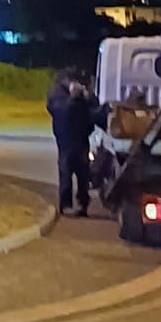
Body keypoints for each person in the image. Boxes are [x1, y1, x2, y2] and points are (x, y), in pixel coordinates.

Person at [47, 71, 106, 216]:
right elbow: (60, 110)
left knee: (83, 173)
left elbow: (94, 113)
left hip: (81, 138)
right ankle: (66, 205)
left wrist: (89, 98)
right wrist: (74, 98)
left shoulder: (82, 97)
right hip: (66, 139)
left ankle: (82, 204)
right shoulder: (58, 95)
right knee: (66, 172)